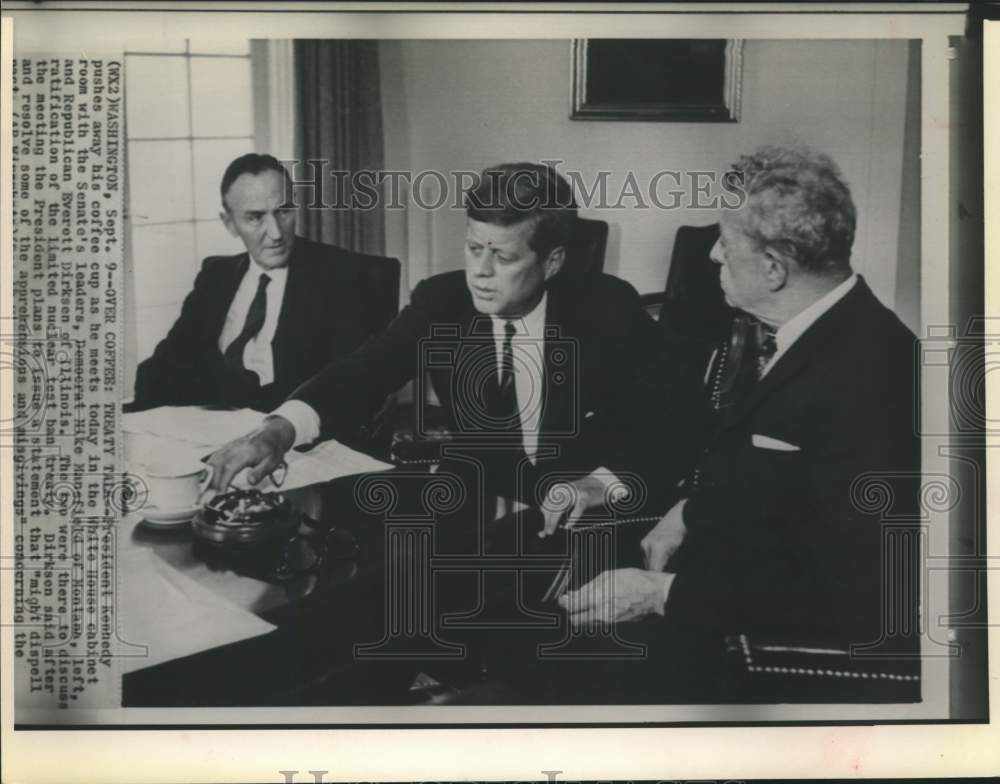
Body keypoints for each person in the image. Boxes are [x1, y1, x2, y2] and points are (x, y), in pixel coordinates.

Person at [541, 145, 920, 701]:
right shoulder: (813, 333)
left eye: (727, 240)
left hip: (756, 650)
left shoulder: (873, 374)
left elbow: (853, 595)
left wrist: (658, 595)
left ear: (773, 269)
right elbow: (781, 485)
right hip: (719, 584)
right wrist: (689, 511)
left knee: (546, 675)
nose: (714, 253)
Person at [204, 162, 707, 511]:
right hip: (484, 508)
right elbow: (364, 372)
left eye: (503, 257)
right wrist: (280, 429)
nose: (480, 273)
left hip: (587, 514)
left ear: (551, 261)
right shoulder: (441, 301)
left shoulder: (608, 307)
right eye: (472, 249)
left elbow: (681, 419)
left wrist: (601, 485)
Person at [131, 153, 400, 414]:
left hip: (291, 437)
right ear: (230, 223)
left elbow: (349, 388)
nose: (275, 233)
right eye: (255, 217)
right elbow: (156, 373)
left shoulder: (343, 275)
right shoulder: (216, 276)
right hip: (210, 429)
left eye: (283, 212)